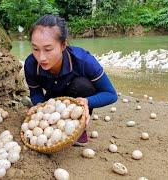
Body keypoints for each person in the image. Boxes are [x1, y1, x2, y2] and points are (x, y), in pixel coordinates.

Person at [24, 14, 118, 146]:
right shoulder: (30, 64)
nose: (41, 57)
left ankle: (79, 127)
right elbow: (35, 92)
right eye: (35, 49)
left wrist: (87, 101)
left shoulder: (84, 61)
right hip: (53, 99)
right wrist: (40, 106)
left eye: (48, 49)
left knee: (83, 85)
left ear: (63, 45)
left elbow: (111, 95)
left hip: (77, 96)